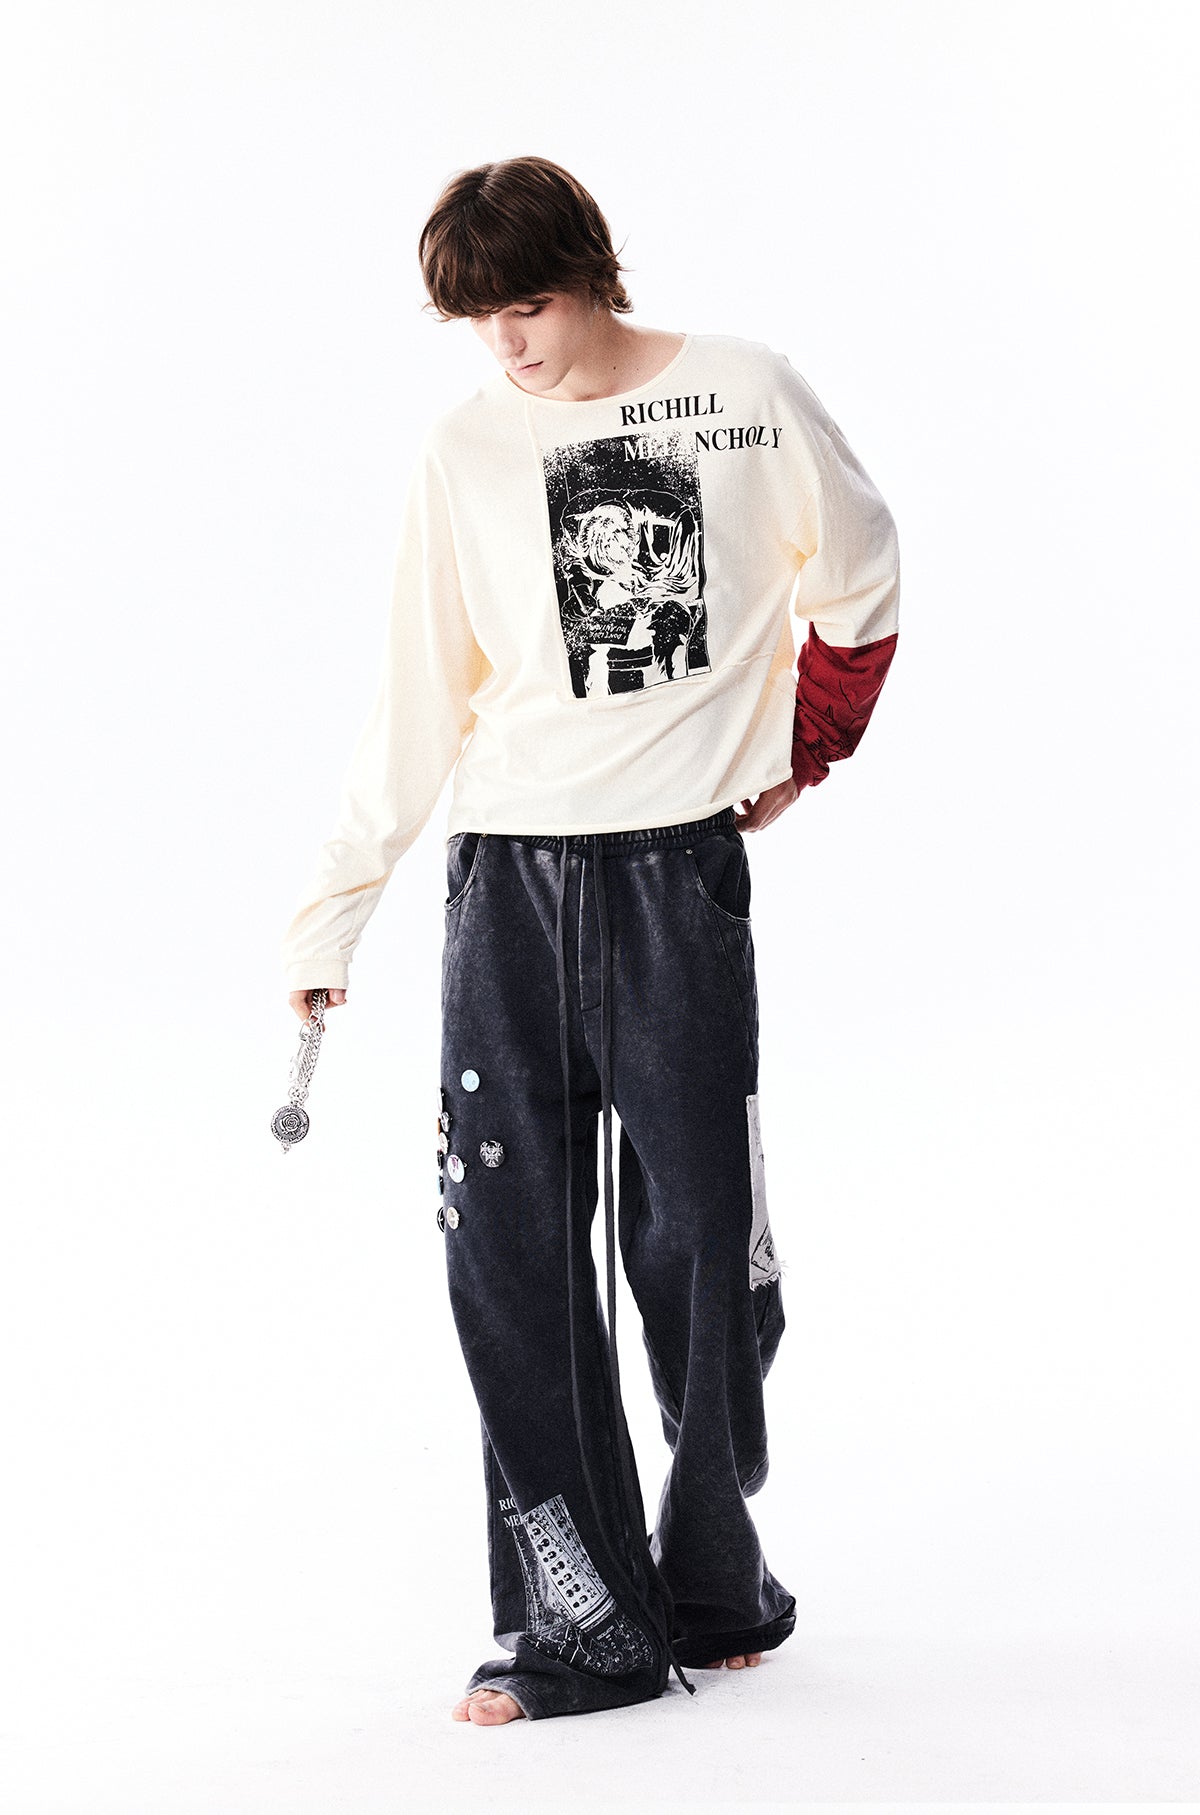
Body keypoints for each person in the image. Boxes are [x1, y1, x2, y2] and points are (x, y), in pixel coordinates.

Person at [280, 155, 901, 1726]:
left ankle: (711, 1578)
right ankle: (584, 1621)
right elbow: (419, 693)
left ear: (593, 274)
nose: (510, 345)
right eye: (479, 320)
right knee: (508, 1257)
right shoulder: (465, 449)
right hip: (508, 879)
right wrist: (337, 904)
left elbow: (864, 576)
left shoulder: (746, 393)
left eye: (531, 307)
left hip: (675, 881)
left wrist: (805, 749)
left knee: (704, 1249)